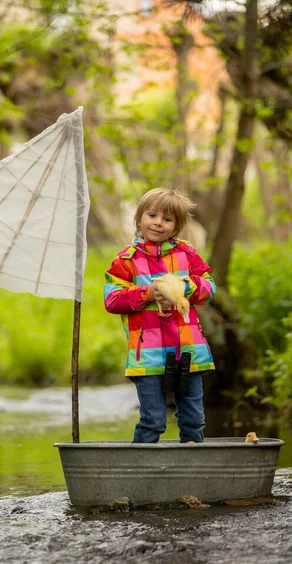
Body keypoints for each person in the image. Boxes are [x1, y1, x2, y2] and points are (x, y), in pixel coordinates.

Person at [104, 187, 216, 444]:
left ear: (176, 226)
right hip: (148, 353)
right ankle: (138, 473)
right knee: (153, 420)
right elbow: (112, 300)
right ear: (139, 217)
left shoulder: (187, 254)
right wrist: (147, 293)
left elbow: (209, 287)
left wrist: (183, 287)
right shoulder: (125, 260)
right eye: (152, 215)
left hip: (188, 349)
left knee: (193, 418)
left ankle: (193, 469)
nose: (158, 223)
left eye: (167, 219)